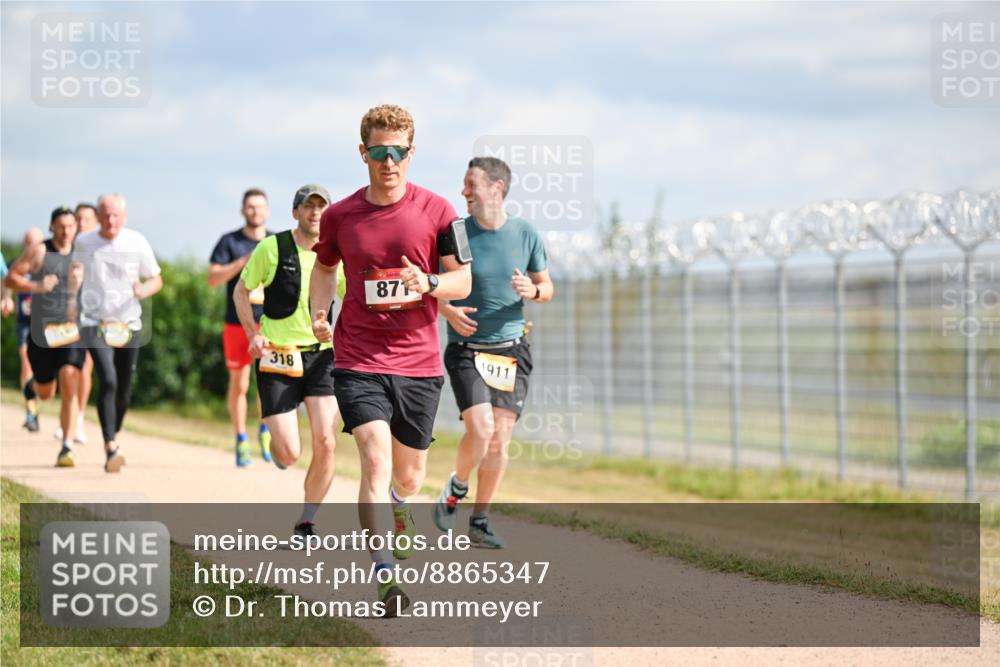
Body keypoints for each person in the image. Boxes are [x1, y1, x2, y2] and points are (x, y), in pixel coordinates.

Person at [310, 104, 472, 614]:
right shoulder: (340, 215)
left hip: (419, 362)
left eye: (398, 152)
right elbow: (323, 268)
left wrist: (427, 282)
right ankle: (385, 576)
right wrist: (320, 311)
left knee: (408, 477)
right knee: (375, 460)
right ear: (363, 153)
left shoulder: (441, 211)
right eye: (379, 152)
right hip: (357, 356)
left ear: (411, 152)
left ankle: (402, 508)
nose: (389, 161)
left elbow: (462, 280)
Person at [433, 158, 553, 548]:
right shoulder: (456, 234)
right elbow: (435, 285)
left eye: (470, 184)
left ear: (497, 187)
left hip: (511, 349)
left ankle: (480, 521)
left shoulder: (525, 232)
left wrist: (531, 292)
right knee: (481, 430)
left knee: (500, 439)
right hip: (467, 349)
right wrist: (447, 309)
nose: (463, 192)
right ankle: (457, 486)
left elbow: (546, 287)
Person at [235, 184, 347, 537]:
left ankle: (307, 519)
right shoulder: (271, 248)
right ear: (295, 212)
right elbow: (241, 290)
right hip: (278, 357)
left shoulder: (337, 255)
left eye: (321, 207)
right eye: (308, 206)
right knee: (288, 455)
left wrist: (344, 337)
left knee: (327, 442)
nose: (315, 213)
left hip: (321, 358)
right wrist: (253, 332)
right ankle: (274, 437)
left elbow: (355, 301)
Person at [74, 193, 163, 472]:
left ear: (123, 217)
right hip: (94, 322)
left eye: (116, 216)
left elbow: (156, 279)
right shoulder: (84, 242)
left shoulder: (136, 241)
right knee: (108, 380)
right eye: (106, 215)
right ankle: (110, 445)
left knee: (124, 389)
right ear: (98, 217)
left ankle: (115, 431)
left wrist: (143, 289)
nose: (111, 221)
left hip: (128, 324)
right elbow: (75, 271)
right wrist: (74, 281)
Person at [4, 208, 87, 466]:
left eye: (71, 226)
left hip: (73, 331)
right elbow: (11, 277)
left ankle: (67, 446)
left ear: (77, 228)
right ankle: (33, 387)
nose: (66, 231)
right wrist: (37, 286)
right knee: (47, 391)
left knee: (70, 378)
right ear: (52, 227)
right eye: (61, 226)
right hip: (43, 334)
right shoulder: (40, 251)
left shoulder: (84, 253)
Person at [209, 189, 273, 466]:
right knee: (240, 382)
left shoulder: (276, 242)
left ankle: (265, 432)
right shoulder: (229, 242)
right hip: (236, 323)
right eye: (250, 207)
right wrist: (242, 263)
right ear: (242, 210)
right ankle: (240, 438)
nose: (255, 211)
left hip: (270, 323)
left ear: (267, 210)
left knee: (267, 383)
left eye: (259, 207)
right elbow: (212, 278)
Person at [6, 228, 44, 432]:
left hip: (46, 323)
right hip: (24, 322)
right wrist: (6, 299)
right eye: (28, 243)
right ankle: (31, 412)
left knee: (45, 370)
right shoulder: (16, 265)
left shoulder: (48, 263)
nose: (32, 247)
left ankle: (38, 392)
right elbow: (7, 284)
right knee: (26, 361)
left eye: (36, 243)